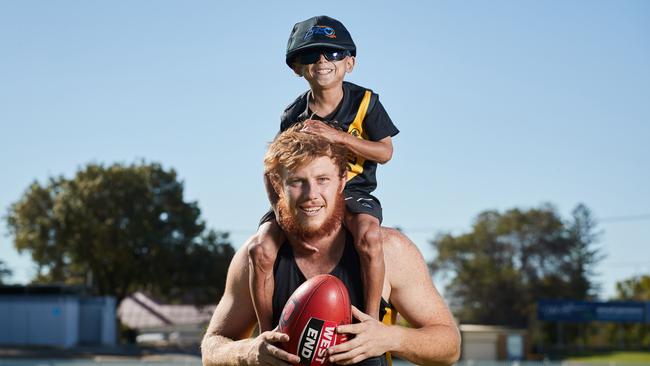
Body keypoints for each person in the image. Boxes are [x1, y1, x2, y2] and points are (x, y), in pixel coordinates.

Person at [201, 124, 460, 366]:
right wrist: (247, 352)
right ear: (279, 186)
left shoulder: (389, 249)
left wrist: (390, 338)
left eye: (322, 179)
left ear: (342, 180)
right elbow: (212, 345)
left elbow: (449, 345)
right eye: (296, 181)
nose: (311, 195)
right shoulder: (256, 256)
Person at [250, 15, 400, 333]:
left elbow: (385, 152)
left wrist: (338, 137)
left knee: (370, 237)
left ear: (350, 63)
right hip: (304, 194)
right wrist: (278, 206)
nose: (322, 61)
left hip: (353, 189)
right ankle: (268, 332)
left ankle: (371, 322)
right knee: (260, 249)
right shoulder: (293, 114)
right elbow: (271, 164)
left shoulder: (366, 102)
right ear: (297, 67)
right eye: (311, 55)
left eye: (332, 54)